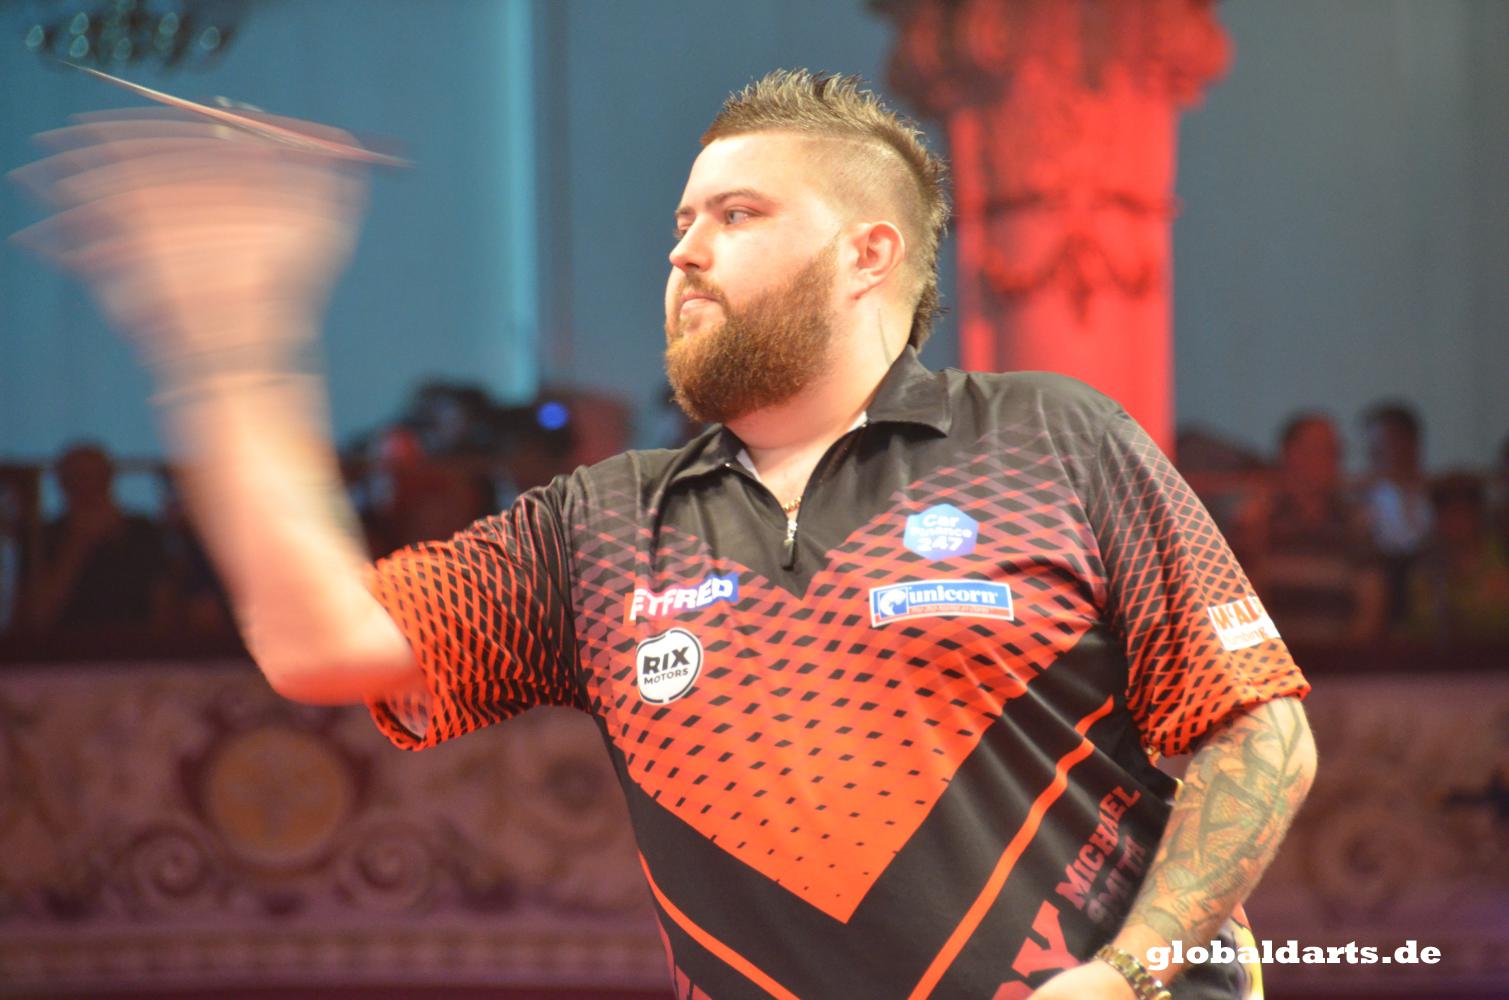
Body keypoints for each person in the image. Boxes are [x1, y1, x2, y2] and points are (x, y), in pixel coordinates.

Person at [15, 70, 1314, 999]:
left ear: (867, 254)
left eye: (737, 216)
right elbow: (320, 643)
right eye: (682, 222)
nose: (684, 251)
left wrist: (1131, 972)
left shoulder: (1050, 437)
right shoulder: (601, 524)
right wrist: (227, 334)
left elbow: (1259, 731)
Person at [1235, 413, 1384, 644]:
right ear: (1289, 454)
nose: (1331, 459)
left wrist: (1348, 654)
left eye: (1335, 451)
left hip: (1339, 657)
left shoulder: (1355, 522)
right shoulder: (1259, 519)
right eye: (1320, 449)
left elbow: (1371, 603)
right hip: (1273, 658)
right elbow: (1240, 600)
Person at [24, 442, 170, 634]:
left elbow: (163, 600)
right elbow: (36, 615)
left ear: (108, 480)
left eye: (91, 477)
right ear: (62, 484)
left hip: (135, 641)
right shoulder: (43, 538)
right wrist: (77, 546)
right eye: (73, 478)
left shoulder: (141, 531)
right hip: (66, 643)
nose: (84, 488)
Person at [1358, 401, 1431, 622]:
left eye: (1385, 444)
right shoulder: (1361, 503)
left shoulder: (1438, 497)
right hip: (1384, 606)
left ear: (1410, 443)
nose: (1377, 454)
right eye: (1373, 447)